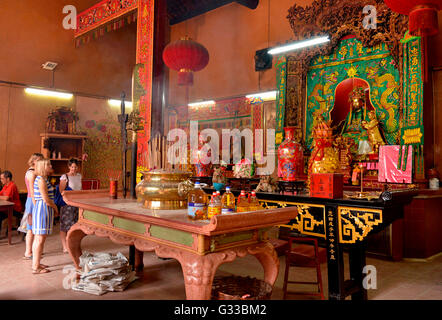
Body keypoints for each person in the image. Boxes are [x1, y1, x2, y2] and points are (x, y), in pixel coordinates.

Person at [32, 159, 58, 274]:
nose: (50, 166)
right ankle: (36, 267)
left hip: (43, 209)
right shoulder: (41, 180)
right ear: (43, 167)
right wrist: (56, 208)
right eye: (48, 164)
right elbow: (46, 200)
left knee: (40, 238)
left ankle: (36, 263)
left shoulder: (43, 179)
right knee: (39, 238)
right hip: (43, 208)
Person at [19, 153, 44, 259]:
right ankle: (28, 252)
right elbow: (32, 191)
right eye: (39, 160)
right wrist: (35, 204)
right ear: (33, 161)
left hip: (33, 200)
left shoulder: (34, 171)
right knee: (30, 228)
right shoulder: (31, 173)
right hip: (32, 201)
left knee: (34, 228)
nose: (41, 162)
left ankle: (34, 250)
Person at [59, 158, 82, 253]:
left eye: (76, 167)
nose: (74, 169)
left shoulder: (79, 176)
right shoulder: (64, 177)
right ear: (69, 167)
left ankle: (72, 244)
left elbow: (80, 189)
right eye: (72, 167)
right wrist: (68, 200)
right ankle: (65, 246)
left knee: (74, 225)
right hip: (67, 204)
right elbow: (61, 191)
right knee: (64, 225)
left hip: (77, 203)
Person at [0, 171, 23, 237]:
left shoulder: (12, 186)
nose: (1, 180)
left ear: (8, 179)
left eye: (2, 178)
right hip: (8, 208)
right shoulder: (5, 186)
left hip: (15, 209)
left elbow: (6, 198)